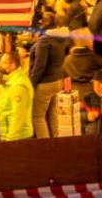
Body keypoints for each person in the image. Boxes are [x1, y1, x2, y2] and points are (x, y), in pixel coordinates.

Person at [28, 11, 68, 139]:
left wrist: (31, 84)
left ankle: (44, 146)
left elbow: (39, 66)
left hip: (45, 83)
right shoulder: (60, 38)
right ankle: (56, 140)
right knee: (52, 113)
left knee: (38, 117)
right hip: (57, 80)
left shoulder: (45, 41)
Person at [0, 51, 34, 141]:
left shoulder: (18, 86)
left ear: (12, 65)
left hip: (19, 137)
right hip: (9, 134)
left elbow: (18, 116)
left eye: (3, 62)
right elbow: (3, 102)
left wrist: (10, 140)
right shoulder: (10, 82)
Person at [62, 27, 102, 100]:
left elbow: (65, 79)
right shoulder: (93, 58)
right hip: (90, 97)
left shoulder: (67, 59)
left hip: (73, 97)